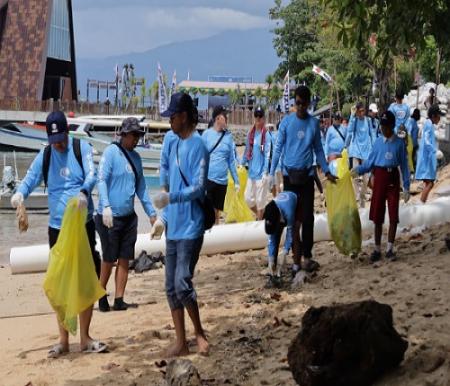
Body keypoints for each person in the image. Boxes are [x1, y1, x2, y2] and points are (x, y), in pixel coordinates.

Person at [10, 111, 107, 357]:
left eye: (61, 138)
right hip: (57, 229)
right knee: (59, 281)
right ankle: (63, 340)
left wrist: (85, 192)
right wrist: (20, 194)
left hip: (83, 223)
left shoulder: (80, 148)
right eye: (54, 141)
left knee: (87, 279)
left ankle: (85, 338)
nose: (59, 144)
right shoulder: (45, 155)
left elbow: (92, 174)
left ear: (67, 132)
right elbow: (31, 178)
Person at [152, 92, 210, 357]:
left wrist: (171, 197)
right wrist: (162, 215)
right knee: (170, 286)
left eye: (172, 117)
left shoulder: (199, 145)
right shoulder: (172, 143)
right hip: (174, 224)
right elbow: (166, 174)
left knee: (182, 282)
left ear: (184, 117)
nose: (170, 122)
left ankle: (198, 332)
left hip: (191, 225)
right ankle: (181, 340)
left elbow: (198, 188)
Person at [269, 86, 337, 278]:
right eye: (296, 102)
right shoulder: (286, 123)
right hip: (289, 177)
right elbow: (279, 148)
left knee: (308, 219)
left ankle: (307, 257)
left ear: (308, 104)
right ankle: (295, 261)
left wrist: (327, 170)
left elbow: (319, 150)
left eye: (302, 103)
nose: (299, 106)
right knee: (292, 221)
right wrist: (271, 173)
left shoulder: (313, 124)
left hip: (307, 177)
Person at [95, 117, 157, 312]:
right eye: (133, 135)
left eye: (138, 135)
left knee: (124, 257)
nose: (136, 139)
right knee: (109, 257)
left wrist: (152, 213)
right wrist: (105, 206)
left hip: (129, 217)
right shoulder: (111, 153)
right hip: (109, 217)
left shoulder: (137, 159)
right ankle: (100, 294)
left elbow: (142, 188)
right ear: (124, 135)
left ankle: (119, 298)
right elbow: (102, 179)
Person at [351, 111, 410, 262]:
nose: (384, 129)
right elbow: (370, 162)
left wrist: (407, 187)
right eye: (382, 126)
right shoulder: (377, 142)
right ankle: (377, 249)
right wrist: (358, 170)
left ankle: (390, 248)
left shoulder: (399, 143)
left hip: (393, 179)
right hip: (379, 178)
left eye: (386, 126)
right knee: (377, 216)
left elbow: (404, 166)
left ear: (392, 126)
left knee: (393, 215)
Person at [202, 106, 239, 223]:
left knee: (217, 211)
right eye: (224, 116)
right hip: (209, 179)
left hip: (222, 181)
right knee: (209, 210)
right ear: (218, 118)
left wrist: (237, 181)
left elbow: (231, 161)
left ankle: (215, 234)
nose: (226, 118)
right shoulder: (206, 134)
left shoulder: (228, 137)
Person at [241, 106, 271, 220]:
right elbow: (246, 151)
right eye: (256, 116)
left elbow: (267, 154)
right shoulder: (251, 134)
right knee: (248, 199)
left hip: (261, 174)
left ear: (263, 118)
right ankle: (262, 217)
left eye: (260, 116)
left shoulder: (266, 135)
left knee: (260, 202)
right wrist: (241, 163)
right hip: (251, 173)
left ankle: (259, 221)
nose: (258, 118)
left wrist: (265, 172)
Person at [263, 191, 297, 288]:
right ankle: (273, 270)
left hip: (296, 202)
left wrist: (285, 251)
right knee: (275, 237)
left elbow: (290, 234)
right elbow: (271, 238)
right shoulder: (270, 211)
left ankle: (296, 266)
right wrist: (271, 259)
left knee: (295, 239)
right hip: (279, 215)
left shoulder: (289, 213)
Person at [345, 102, 374, 207]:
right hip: (356, 150)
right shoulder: (355, 120)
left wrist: (374, 148)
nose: (362, 113)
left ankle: (362, 195)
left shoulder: (368, 121)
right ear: (357, 112)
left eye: (363, 111)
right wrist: (352, 116)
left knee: (366, 178)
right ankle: (357, 196)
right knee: (355, 175)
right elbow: (349, 131)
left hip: (367, 151)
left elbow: (372, 134)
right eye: (359, 111)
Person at [415, 104, 445, 203]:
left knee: (429, 183)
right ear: (433, 116)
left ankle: (422, 203)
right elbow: (427, 141)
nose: (439, 118)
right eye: (438, 116)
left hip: (428, 159)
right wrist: (434, 151)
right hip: (426, 160)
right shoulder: (428, 124)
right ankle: (421, 204)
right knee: (429, 184)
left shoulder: (429, 124)